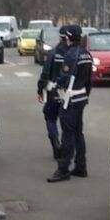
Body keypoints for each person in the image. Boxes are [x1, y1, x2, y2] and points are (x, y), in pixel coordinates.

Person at [47, 25, 92, 183]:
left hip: (70, 99)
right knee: (78, 133)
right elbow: (89, 81)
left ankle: (63, 169)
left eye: (65, 37)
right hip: (81, 98)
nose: (64, 39)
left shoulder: (71, 55)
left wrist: (54, 87)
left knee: (67, 135)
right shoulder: (87, 54)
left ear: (68, 37)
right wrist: (86, 96)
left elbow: (64, 78)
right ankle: (81, 166)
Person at [36, 26, 69, 159]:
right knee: (67, 121)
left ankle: (55, 142)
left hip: (53, 91)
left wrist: (40, 89)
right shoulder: (75, 53)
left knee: (50, 117)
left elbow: (45, 74)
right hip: (70, 92)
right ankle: (67, 147)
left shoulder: (53, 53)